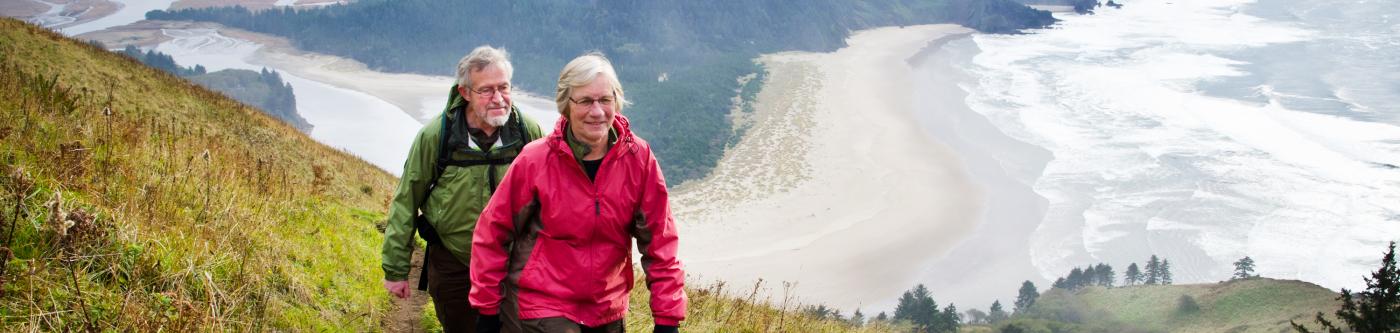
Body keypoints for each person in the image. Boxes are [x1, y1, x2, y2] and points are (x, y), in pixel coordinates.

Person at [469, 52, 686, 333]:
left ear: (616, 102)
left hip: (608, 309)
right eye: (585, 100)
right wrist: (487, 310)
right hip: (543, 307)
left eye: (605, 100)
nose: (597, 111)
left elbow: (660, 242)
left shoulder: (638, 159)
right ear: (566, 106)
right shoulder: (535, 161)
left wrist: (668, 318)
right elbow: (492, 233)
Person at [381, 46, 544, 332]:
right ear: (465, 93)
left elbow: (550, 198)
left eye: (504, 87)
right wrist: (396, 269)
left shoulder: (527, 133)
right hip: (453, 262)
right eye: (486, 90)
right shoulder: (437, 136)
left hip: (512, 263)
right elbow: (407, 199)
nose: (498, 99)